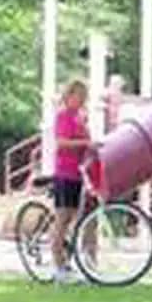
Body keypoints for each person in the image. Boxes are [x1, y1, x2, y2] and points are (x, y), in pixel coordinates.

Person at [51, 79, 96, 283]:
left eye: (83, 97)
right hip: (65, 173)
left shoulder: (80, 118)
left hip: (79, 174)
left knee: (82, 219)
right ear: (69, 96)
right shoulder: (63, 116)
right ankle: (58, 266)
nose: (81, 100)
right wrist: (85, 142)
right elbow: (61, 141)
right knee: (63, 218)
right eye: (78, 96)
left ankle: (85, 263)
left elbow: (87, 143)